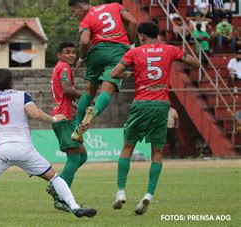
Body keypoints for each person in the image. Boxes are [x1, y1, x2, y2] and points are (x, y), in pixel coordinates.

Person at [0, 69, 97, 224]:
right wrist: (54, 119)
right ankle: (75, 206)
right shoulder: (22, 95)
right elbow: (36, 114)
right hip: (24, 150)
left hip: (1, 151)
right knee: (54, 177)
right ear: (11, 82)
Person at [110, 22, 199, 215]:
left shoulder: (135, 52)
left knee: (127, 147)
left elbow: (114, 73)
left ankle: (120, 192)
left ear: (141, 36)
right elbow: (195, 62)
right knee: (157, 152)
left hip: (141, 103)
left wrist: (130, 72)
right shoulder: (169, 50)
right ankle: (149, 194)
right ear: (156, 35)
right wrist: (178, 57)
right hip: (161, 106)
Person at [68, 0, 137, 143]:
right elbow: (133, 22)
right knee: (106, 91)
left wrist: (82, 58)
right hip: (118, 52)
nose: (74, 15)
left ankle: (76, 130)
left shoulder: (86, 20)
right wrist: (131, 45)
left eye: (74, 12)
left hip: (96, 53)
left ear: (81, 6)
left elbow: (84, 42)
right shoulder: (115, 6)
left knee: (89, 93)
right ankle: (94, 111)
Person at [46, 41, 88, 212]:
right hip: (65, 117)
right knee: (74, 158)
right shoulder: (63, 67)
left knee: (82, 156)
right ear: (59, 55)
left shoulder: (60, 67)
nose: (71, 55)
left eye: (73, 52)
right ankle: (62, 198)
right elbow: (66, 89)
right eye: (67, 52)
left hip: (68, 115)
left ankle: (56, 187)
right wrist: (86, 98)